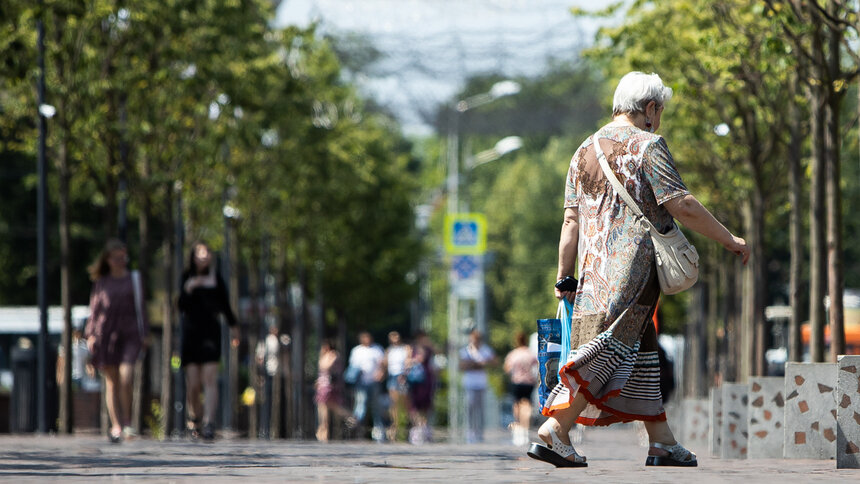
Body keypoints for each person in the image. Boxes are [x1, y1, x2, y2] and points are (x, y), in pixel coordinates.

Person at [530, 71, 750, 468]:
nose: (659, 119)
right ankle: (555, 430)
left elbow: (570, 223)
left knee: (641, 353)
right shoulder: (649, 146)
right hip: (632, 274)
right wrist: (729, 239)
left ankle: (662, 442)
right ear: (649, 109)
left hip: (592, 278)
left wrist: (565, 277)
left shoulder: (582, 151)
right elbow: (681, 204)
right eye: (659, 111)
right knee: (603, 353)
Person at [85, 239, 148, 443]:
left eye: (124, 257)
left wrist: (144, 333)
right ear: (108, 260)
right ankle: (116, 425)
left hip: (130, 333)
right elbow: (94, 312)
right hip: (107, 335)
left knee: (126, 377)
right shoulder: (101, 282)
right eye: (117, 258)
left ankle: (128, 421)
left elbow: (142, 308)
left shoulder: (134, 279)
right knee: (111, 382)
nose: (121, 261)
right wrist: (91, 335)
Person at [178, 242, 238, 441]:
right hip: (191, 333)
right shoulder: (186, 277)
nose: (205, 256)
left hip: (211, 333)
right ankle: (195, 417)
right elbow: (180, 306)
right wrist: (189, 287)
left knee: (210, 379)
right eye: (200, 252)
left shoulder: (217, 280)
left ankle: (209, 423)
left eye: (207, 252)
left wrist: (234, 327)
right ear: (193, 256)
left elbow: (226, 306)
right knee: (193, 383)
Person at [460, 329, 496, 443]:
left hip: (481, 383)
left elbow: (494, 361)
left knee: (480, 409)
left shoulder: (485, 350)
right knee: (470, 408)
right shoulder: (466, 351)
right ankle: (470, 431)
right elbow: (462, 365)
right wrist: (475, 364)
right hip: (470, 383)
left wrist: (482, 364)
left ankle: (479, 432)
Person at [314, 339, 355, 441]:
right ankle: (323, 430)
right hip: (323, 384)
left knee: (331, 406)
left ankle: (351, 418)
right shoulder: (327, 356)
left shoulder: (333, 355)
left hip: (329, 386)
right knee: (325, 407)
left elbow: (325, 367)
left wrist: (323, 358)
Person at [348, 331, 386, 441]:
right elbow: (353, 366)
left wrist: (381, 373)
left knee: (376, 407)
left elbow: (382, 364)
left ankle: (378, 432)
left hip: (374, 382)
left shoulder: (376, 349)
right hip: (361, 383)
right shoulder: (357, 350)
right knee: (360, 406)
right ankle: (356, 430)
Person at [504, 331, 538, 446]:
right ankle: (526, 427)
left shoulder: (513, 354)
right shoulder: (530, 354)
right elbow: (537, 365)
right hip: (529, 382)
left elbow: (507, 368)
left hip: (517, 381)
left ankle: (518, 427)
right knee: (527, 404)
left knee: (517, 404)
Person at [407, 330, 436, 444]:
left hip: (426, 379)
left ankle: (425, 428)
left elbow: (437, 353)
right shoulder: (411, 348)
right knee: (414, 405)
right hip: (415, 379)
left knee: (426, 405)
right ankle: (417, 428)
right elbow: (408, 361)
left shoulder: (429, 348)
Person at [382, 331, 409, 441]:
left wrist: (404, 373)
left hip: (402, 376)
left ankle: (405, 426)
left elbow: (408, 361)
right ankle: (395, 425)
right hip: (392, 376)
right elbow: (385, 364)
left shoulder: (405, 348)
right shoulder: (389, 350)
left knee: (404, 402)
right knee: (393, 403)